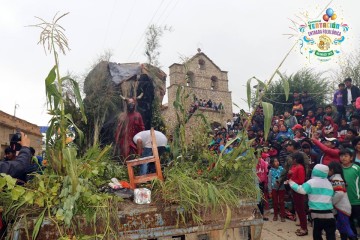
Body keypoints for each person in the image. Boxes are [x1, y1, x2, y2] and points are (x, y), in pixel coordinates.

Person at [288, 164, 335, 239]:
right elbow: (332, 195)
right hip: (329, 213)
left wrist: (291, 182)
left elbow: (301, 190)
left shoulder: (311, 182)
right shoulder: (329, 183)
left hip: (316, 213)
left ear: (315, 171)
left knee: (317, 234)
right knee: (330, 235)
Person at [328, 161, 356, 240]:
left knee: (345, 227)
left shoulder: (336, 179)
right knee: (341, 227)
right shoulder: (337, 178)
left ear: (332, 170)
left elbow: (339, 194)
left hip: (342, 208)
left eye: (328, 170)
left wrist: (331, 202)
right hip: (342, 207)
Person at [340, 148, 360, 237]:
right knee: (349, 221)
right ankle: (354, 236)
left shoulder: (357, 168)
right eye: (341, 156)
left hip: (356, 200)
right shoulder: (339, 169)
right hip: (344, 201)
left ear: (351, 158)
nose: (343, 158)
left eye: (346, 156)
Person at [287, 152, 308, 237]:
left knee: (301, 209)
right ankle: (302, 226)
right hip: (294, 190)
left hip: (298, 190)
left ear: (296, 159)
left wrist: (291, 181)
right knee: (298, 209)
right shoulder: (293, 167)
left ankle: (304, 228)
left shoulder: (300, 167)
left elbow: (301, 181)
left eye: (292, 158)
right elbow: (290, 178)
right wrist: (289, 175)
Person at [268, 157, 286, 222]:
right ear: (272, 163)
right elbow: (269, 181)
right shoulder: (270, 171)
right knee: (275, 202)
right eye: (275, 161)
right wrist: (270, 191)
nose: (277, 162)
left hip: (281, 188)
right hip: (274, 188)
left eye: (277, 161)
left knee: (281, 202)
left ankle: (282, 216)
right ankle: (275, 215)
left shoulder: (282, 169)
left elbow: (284, 177)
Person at [256, 155, 269, 221]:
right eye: (257, 157)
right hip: (253, 184)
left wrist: (266, 183)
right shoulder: (251, 164)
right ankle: (256, 215)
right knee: (255, 200)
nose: (259, 158)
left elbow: (265, 173)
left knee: (261, 199)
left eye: (259, 157)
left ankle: (261, 214)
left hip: (261, 183)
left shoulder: (263, 163)